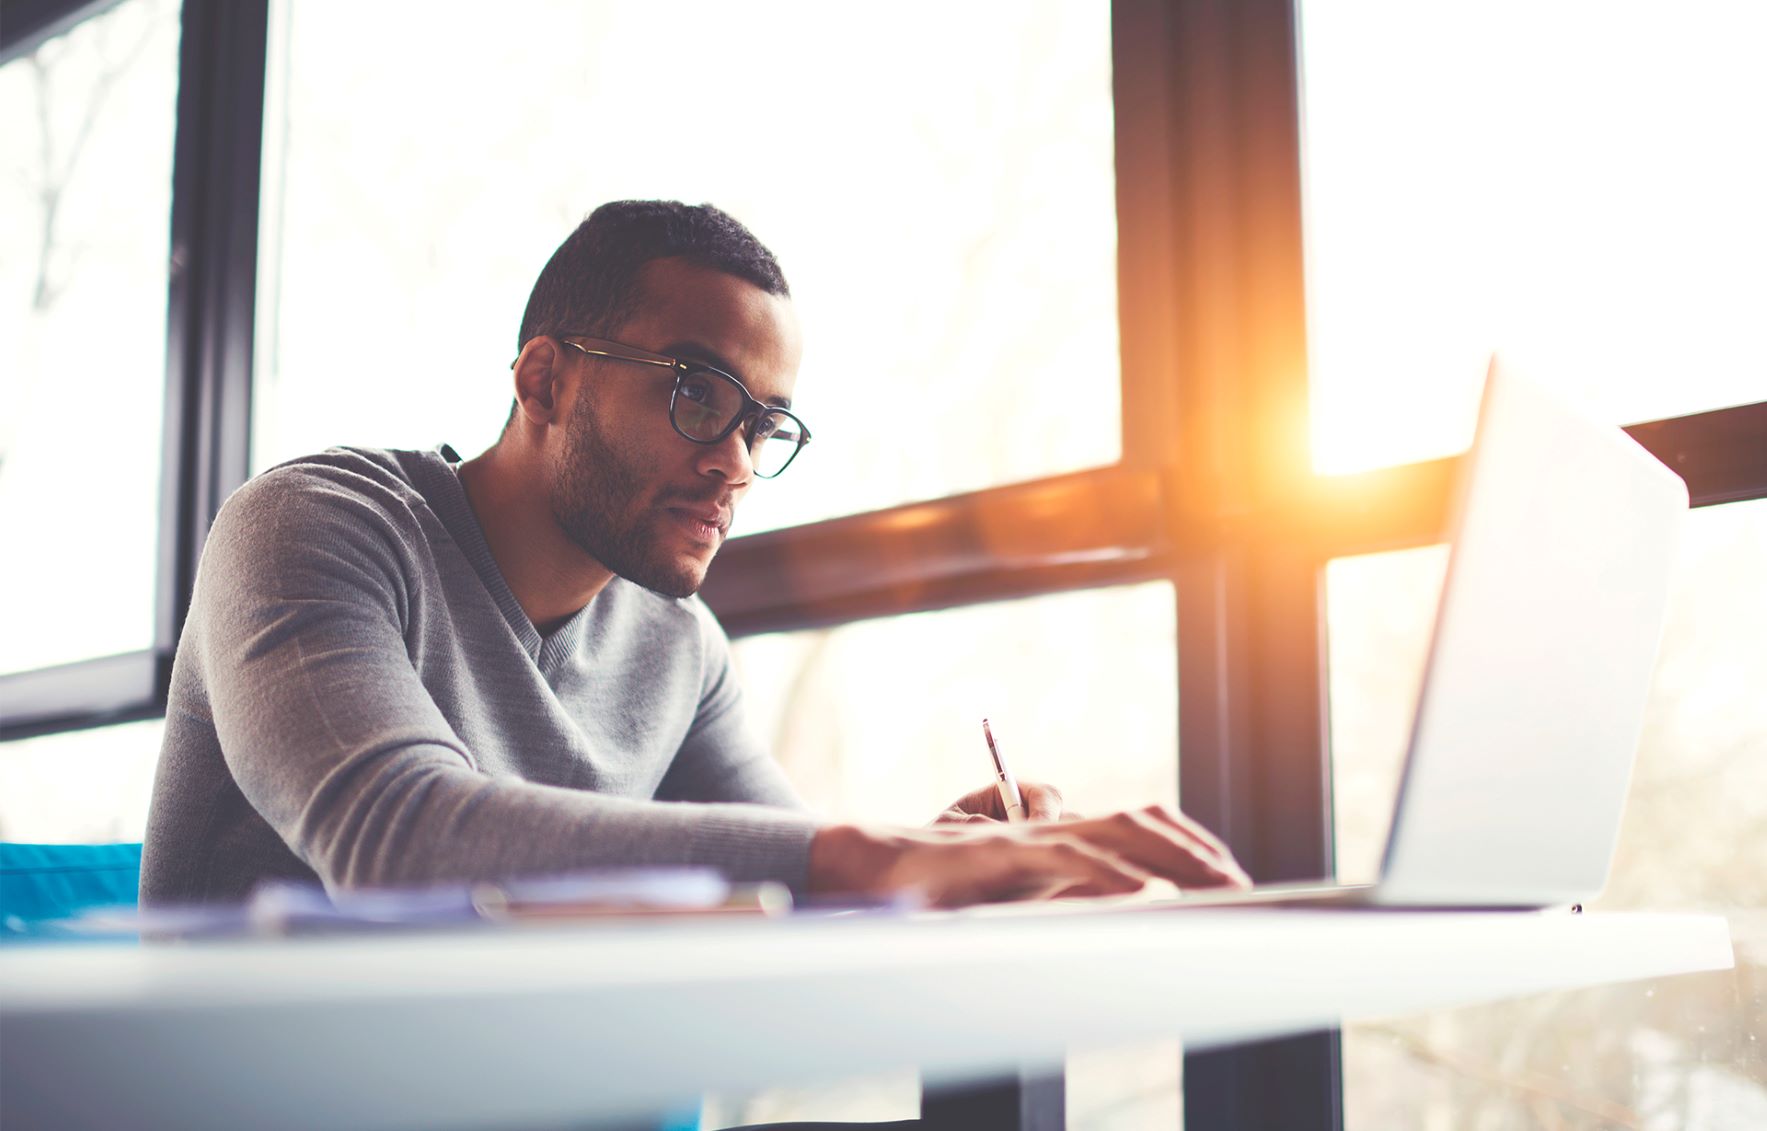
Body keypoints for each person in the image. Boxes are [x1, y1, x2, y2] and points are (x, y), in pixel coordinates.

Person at [139, 200, 1250, 910]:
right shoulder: (315, 526)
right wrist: (865, 857)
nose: (736, 465)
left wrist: (938, 860)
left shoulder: (679, 647)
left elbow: (782, 869)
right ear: (543, 380)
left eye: (763, 426)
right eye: (694, 394)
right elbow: (395, 836)